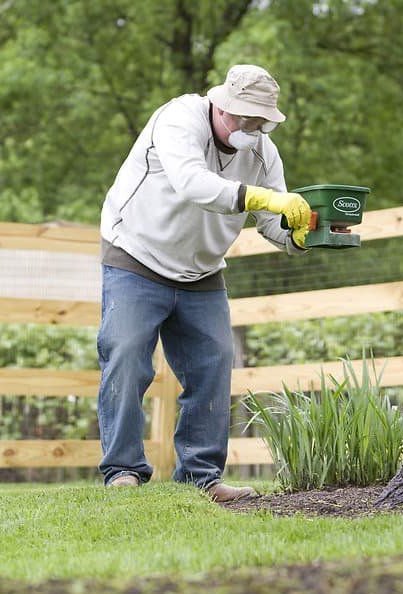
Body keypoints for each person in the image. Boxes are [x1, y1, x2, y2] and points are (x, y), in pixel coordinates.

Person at [97, 64, 317, 502]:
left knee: (214, 364)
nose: (250, 129)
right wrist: (263, 198)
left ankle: (201, 477)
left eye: (259, 121)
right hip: (136, 253)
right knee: (126, 355)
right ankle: (123, 470)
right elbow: (192, 184)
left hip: (202, 270)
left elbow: (274, 222)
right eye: (243, 117)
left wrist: (303, 234)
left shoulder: (262, 154)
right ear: (220, 105)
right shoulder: (178, 119)